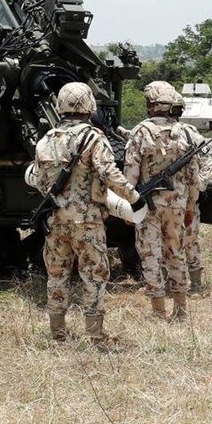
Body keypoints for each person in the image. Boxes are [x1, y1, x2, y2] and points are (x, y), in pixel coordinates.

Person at [26, 82, 142, 345]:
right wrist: (134, 197)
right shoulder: (93, 138)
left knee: (57, 275)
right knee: (94, 276)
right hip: (87, 221)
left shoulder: (47, 139)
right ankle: (94, 334)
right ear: (89, 105)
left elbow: (38, 179)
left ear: (60, 105)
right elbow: (109, 173)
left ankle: (58, 333)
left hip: (55, 220)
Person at [124, 81, 200, 321]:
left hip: (148, 207)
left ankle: (158, 312)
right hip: (177, 206)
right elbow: (194, 178)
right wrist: (190, 207)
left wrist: (128, 207)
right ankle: (181, 310)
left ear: (150, 103)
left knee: (150, 256)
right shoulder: (185, 132)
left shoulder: (140, 132)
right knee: (175, 252)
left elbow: (130, 175)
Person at [171, 94, 212, 294]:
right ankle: (169, 283)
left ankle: (195, 284)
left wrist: (198, 187)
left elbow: (206, 163)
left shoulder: (189, 134)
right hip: (166, 198)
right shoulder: (153, 131)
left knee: (188, 240)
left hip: (186, 199)